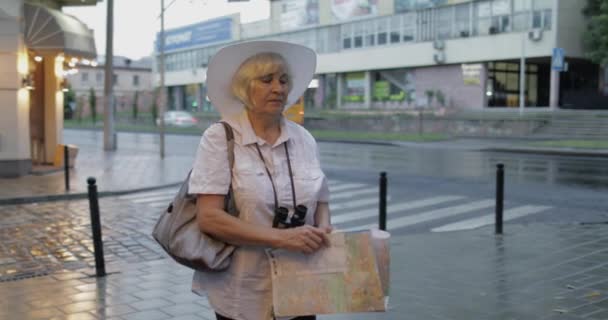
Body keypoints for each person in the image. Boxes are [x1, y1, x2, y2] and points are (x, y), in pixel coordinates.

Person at [188, 40, 332, 320]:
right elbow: (209, 218)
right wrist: (283, 238)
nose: (278, 88)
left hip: (302, 287)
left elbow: (322, 200)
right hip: (244, 293)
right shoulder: (221, 138)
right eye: (266, 80)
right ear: (245, 88)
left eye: (283, 80)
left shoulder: (304, 139)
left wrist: (323, 230)